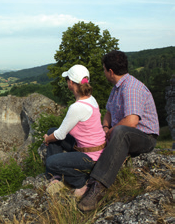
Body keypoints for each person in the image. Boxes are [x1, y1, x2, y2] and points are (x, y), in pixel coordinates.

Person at [78, 50, 159, 211]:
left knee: (121, 132)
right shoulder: (117, 88)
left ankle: (97, 188)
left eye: (104, 69)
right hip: (121, 133)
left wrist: (111, 131)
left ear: (110, 71)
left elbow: (131, 121)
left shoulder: (131, 88)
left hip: (145, 137)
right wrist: (105, 128)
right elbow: (108, 112)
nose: (103, 73)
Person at [43, 64, 106, 197]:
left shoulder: (77, 107)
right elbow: (60, 132)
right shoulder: (91, 99)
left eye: (67, 80)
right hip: (94, 148)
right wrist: (51, 135)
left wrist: (47, 139)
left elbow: (60, 135)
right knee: (52, 130)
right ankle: (57, 176)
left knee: (50, 161)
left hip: (90, 156)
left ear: (71, 83)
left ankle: (81, 182)